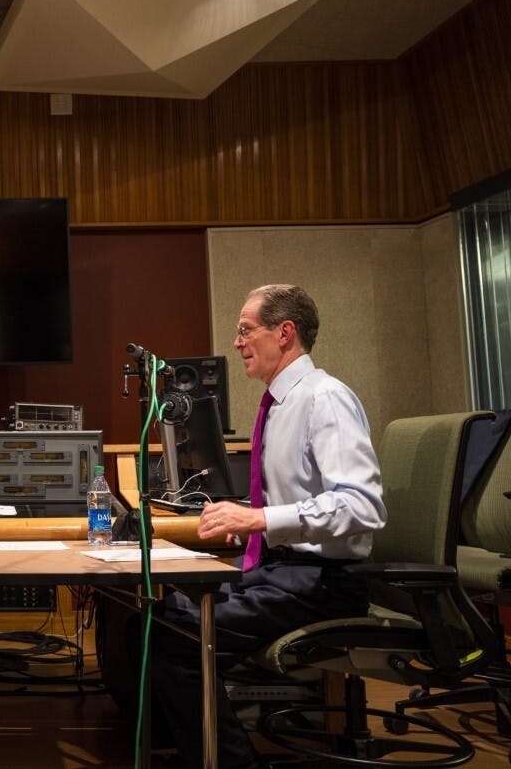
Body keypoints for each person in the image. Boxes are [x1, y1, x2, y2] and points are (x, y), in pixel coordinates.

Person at [100, 284, 387, 768]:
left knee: (170, 638)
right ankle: (192, 749)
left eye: (245, 330)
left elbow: (362, 506)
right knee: (146, 622)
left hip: (320, 583)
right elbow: (297, 502)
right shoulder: (280, 404)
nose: (236, 343)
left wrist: (259, 518)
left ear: (285, 332)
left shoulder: (324, 399)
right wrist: (250, 522)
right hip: (284, 570)